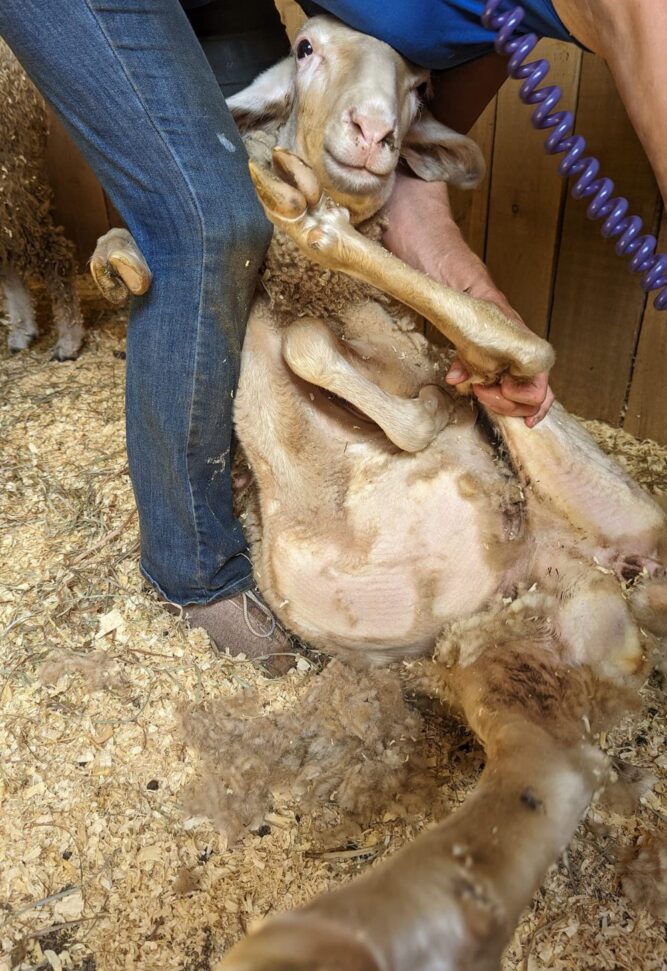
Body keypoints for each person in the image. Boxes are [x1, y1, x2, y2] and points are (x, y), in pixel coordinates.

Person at [1, 0, 663, 656]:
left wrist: (470, 299)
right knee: (209, 221)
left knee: (258, 190)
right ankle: (194, 573)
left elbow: (411, 190)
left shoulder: (499, 28)